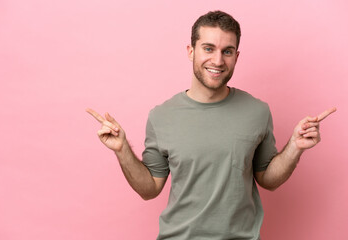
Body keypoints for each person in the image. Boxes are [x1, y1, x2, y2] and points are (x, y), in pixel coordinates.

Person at [86, 10, 336, 240]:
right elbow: (150, 188)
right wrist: (122, 150)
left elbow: (267, 179)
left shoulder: (257, 111)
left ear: (236, 56)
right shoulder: (161, 116)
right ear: (190, 51)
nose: (218, 60)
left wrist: (294, 147)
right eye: (208, 48)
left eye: (227, 51)